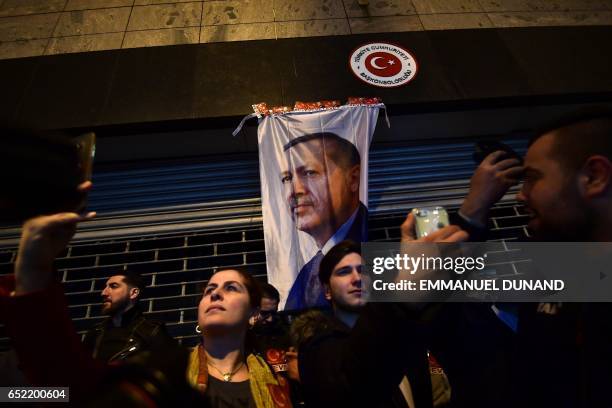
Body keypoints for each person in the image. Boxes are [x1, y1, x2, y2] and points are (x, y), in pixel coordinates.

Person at [0, 207, 292, 407]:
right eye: (209, 290)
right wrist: (34, 271)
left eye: (231, 288)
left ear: (254, 312)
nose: (215, 295)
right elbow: (67, 384)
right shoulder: (163, 369)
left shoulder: (276, 379)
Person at [295, 223, 468, 408]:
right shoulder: (318, 347)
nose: (357, 278)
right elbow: (356, 390)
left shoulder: (403, 337)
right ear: (327, 291)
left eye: (363, 270)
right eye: (344, 272)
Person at [281, 132, 367, 310]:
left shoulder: (382, 249)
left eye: (310, 173)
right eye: (287, 178)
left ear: (353, 178)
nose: (295, 191)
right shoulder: (306, 273)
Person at [82, 272, 172, 362]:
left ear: (133, 293)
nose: (103, 293)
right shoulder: (96, 332)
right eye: (105, 287)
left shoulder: (152, 331)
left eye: (113, 286)